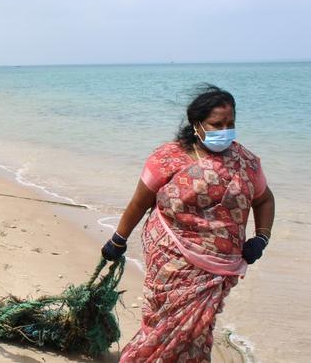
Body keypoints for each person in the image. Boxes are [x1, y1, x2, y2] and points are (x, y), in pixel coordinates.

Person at [101, 85, 275, 362]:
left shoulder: (246, 163)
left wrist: (261, 238)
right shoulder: (168, 158)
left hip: (219, 267)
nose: (225, 131)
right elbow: (140, 202)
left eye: (230, 124)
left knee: (197, 329)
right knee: (163, 325)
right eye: (216, 124)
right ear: (197, 125)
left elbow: (264, 200)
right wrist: (118, 239)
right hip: (171, 258)